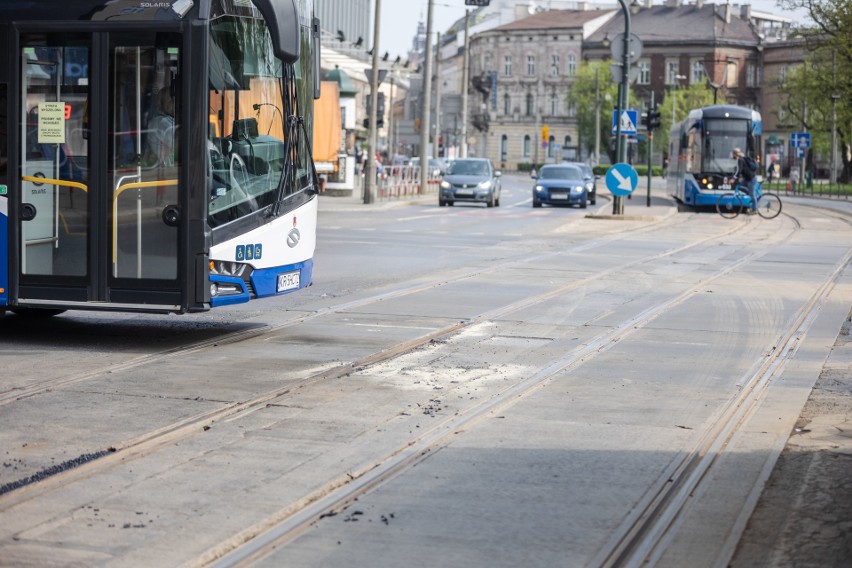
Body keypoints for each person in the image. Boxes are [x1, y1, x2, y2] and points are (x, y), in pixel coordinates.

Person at [146, 88, 176, 167]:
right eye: (170, 101)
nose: (174, 103)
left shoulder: (170, 120)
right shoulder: (161, 122)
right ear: (161, 104)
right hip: (166, 172)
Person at [732, 148, 757, 212]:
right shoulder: (742, 158)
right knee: (739, 186)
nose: (732, 156)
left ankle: (754, 209)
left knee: (752, 194)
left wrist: (733, 178)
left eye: (733, 154)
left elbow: (738, 170)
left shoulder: (739, 159)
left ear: (735, 154)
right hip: (747, 178)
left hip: (751, 179)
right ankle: (751, 196)